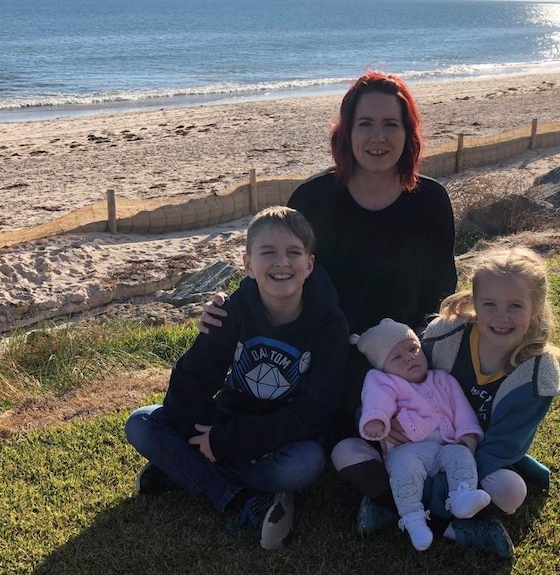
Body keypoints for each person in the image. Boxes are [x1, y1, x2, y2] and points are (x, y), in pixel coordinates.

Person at [200, 70, 457, 445]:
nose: (378, 137)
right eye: (364, 123)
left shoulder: (431, 201)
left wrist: (411, 371)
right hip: (323, 356)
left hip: (403, 358)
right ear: (346, 132)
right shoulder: (312, 200)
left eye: (391, 124)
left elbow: (441, 294)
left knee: (417, 428)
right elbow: (282, 273)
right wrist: (229, 305)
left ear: (408, 132)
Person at [125, 206, 349, 551]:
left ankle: (182, 470)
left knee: (305, 465)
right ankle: (241, 498)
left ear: (310, 264)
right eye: (268, 252)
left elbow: (313, 413)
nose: (281, 263)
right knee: (141, 422)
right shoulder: (230, 311)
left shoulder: (330, 326)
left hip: (284, 436)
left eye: (293, 253)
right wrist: (208, 435)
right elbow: (191, 383)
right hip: (227, 417)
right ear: (247, 263)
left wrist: (226, 443)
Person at [332, 246, 560, 558]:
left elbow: (502, 449)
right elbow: (396, 379)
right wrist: (381, 422)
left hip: (470, 462)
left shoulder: (538, 375)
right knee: (344, 451)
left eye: (515, 306)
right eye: (490, 304)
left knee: (511, 491)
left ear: (534, 310)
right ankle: (454, 525)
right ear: (474, 303)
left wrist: (447, 484)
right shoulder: (446, 335)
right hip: (411, 446)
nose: (501, 317)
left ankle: (396, 503)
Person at [354, 318, 491, 551]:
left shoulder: (443, 379)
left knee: (461, 456)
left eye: (413, 349)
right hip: (408, 448)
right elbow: (378, 399)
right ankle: (413, 519)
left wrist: (468, 435)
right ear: (383, 366)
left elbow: (462, 410)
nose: (409, 357)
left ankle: (462, 495)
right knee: (403, 468)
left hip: (444, 446)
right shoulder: (383, 380)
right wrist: (377, 418)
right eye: (397, 357)